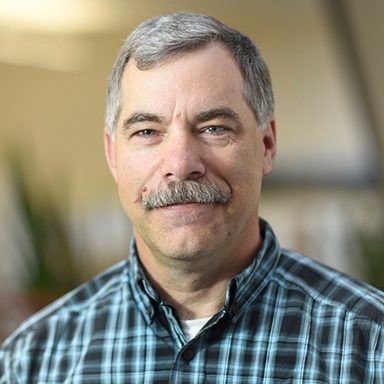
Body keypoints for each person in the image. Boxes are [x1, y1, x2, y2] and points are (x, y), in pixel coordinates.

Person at [1, 12, 383, 383]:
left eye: (214, 127)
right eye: (148, 132)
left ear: (266, 145)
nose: (181, 164)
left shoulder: (371, 345)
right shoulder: (32, 361)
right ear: (113, 155)